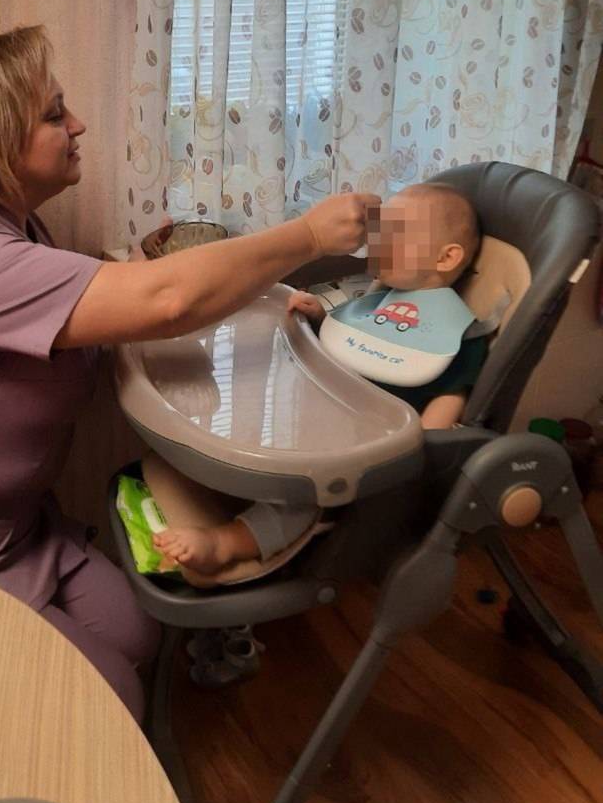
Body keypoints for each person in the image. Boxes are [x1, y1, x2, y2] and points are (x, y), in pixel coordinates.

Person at [0, 25, 378, 721]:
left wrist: (169, 273)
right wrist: (309, 236)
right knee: (113, 699)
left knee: (140, 631)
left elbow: (102, 295)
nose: (77, 124)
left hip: (15, 528)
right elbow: (167, 302)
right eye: (54, 114)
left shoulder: (4, 226)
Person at [154, 182, 487, 576]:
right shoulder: (381, 299)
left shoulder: (454, 336)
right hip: (321, 414)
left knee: (304, 499)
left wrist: (413, 454)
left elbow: (445, 408)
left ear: (447, 257)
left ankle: (228, 543)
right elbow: (353, 347)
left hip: (363, 450)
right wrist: (320, 320)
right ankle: (234, 490)